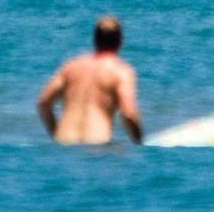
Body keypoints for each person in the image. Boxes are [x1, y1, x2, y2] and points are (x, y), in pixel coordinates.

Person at [37, 15, 143, 145]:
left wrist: (56, 134)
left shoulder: (70, 67)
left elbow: (43, 103)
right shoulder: (121, 72)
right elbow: (129, 114)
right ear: (120, 41)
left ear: (94, 40)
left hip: (64, 146)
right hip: (96, 148)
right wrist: (139, 144)